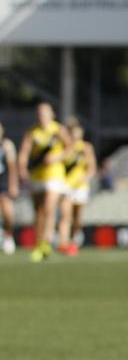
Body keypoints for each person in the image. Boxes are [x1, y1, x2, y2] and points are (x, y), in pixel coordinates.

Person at [17, 101, 70, 262]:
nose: (42, 116)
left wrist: (57, 157)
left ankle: (46, 242)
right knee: (38, 211)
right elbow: (24, 153)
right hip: (37, 175)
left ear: (51, 114)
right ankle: (40, 243)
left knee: (49, 208)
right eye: (39, 113)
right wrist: (22, 170)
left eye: (45, 113)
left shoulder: (58, 130)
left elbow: (69, 147)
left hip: (54, 175)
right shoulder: (33, 132)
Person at [57, 118, 96, 256]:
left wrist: (85, 178)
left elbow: (91, 168)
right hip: (66, 186)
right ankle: (63, 244)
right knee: (65, 215)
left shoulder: (86, 148)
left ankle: (74, 238)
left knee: (77, 218)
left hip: (81, 187)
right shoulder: (64, 148)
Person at [0, 126, 17, 254]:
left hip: (4, 183)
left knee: (8, 213)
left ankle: (8, 236)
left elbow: (12, 167)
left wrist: (13, 184)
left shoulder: (7, 145)